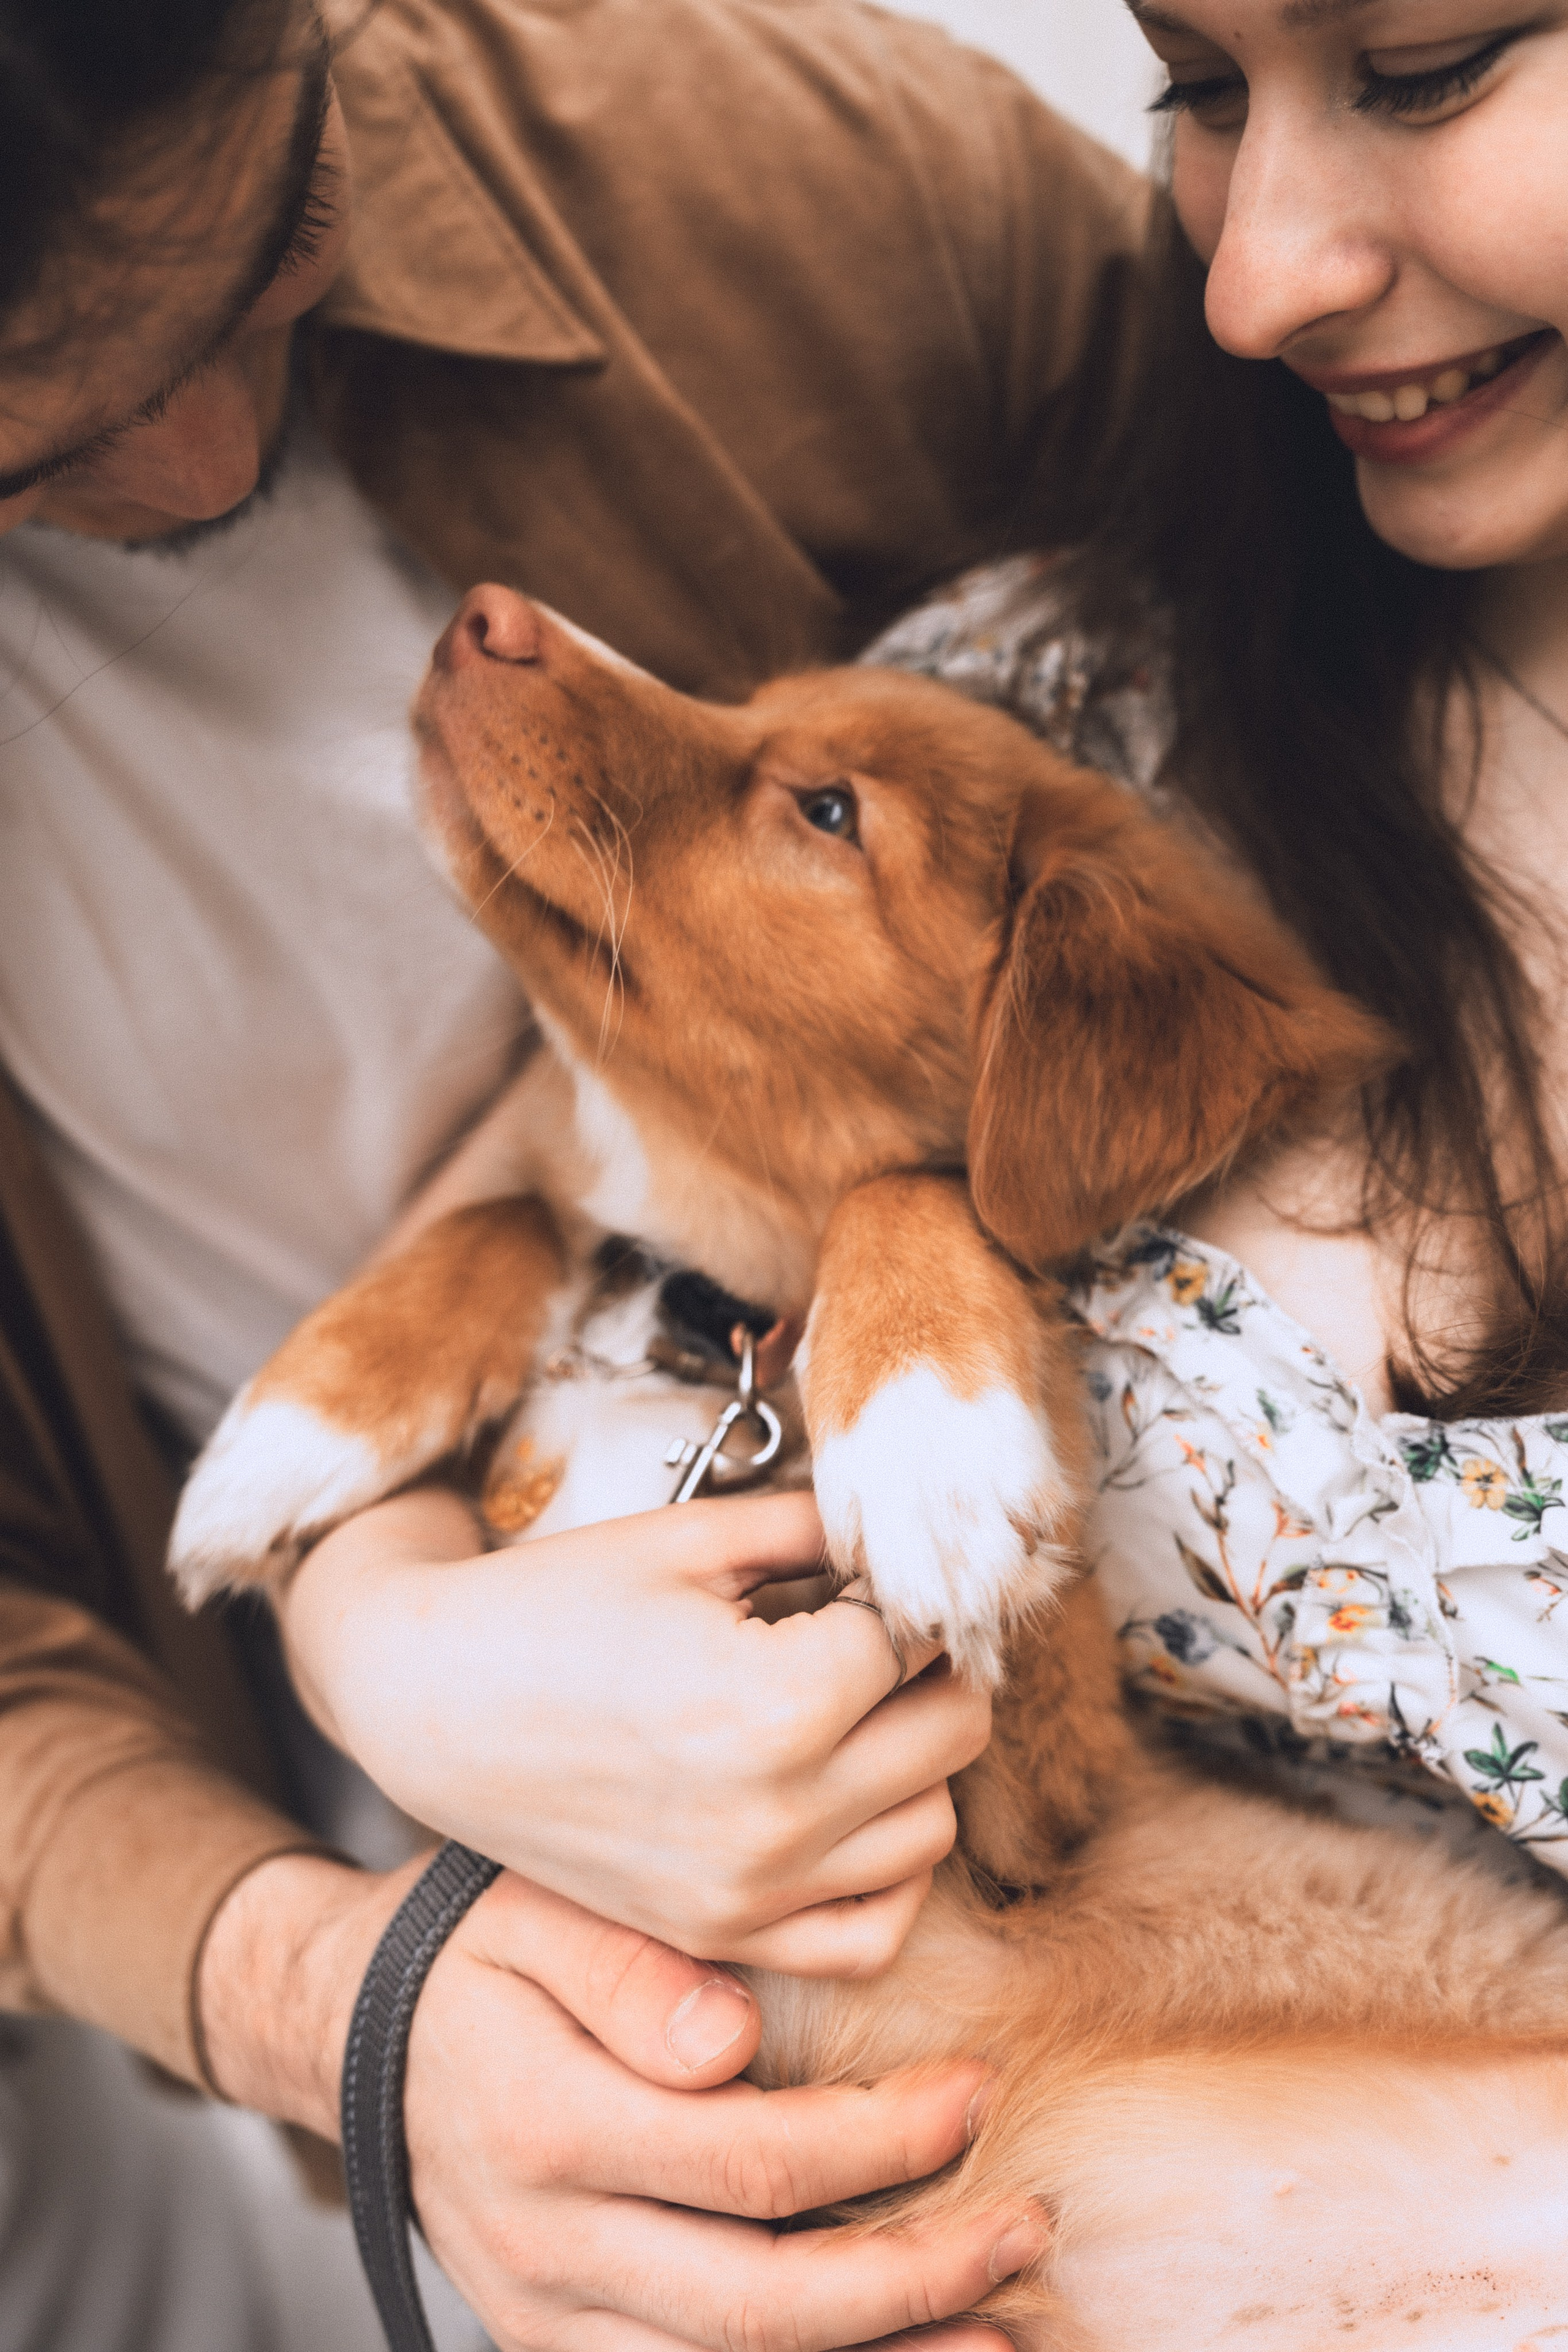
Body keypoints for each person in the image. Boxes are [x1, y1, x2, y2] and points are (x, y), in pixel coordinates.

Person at [0, 0, 1150, 2345]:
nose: (211, 444)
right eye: (37, 440)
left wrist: (904, 1241)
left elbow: (1345, 795)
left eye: (274, 243)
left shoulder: (842, 192)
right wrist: (343, 1982)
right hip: (300, 1856)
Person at [860, 0, 1568, 2333]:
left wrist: (1360, 2190)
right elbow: (542, 1329)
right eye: (1199, 88)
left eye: (1434, 65)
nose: (1255, 276)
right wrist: (408, 1657)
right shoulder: (1050, 731)